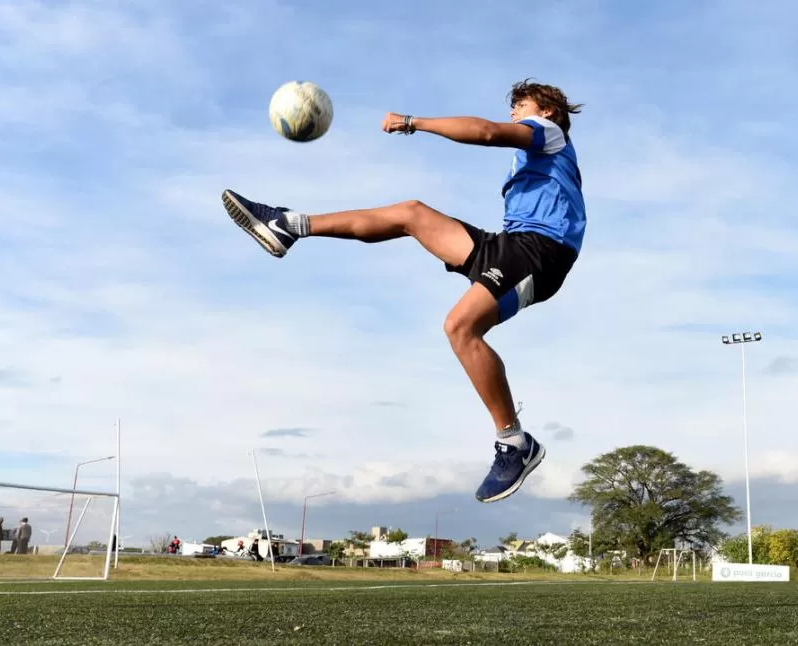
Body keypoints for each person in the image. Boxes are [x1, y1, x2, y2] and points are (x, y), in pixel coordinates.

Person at [221, 80, 585, 504]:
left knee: (460, 327)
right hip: (510, 244)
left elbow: (486, 133)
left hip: (541, 251)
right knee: (411, 214)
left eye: (520, 106)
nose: (513, 115)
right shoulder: (534, 155)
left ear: (548, 112)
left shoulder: (550, 133)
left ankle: (514, 443)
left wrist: (415, 123)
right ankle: (289, 225)